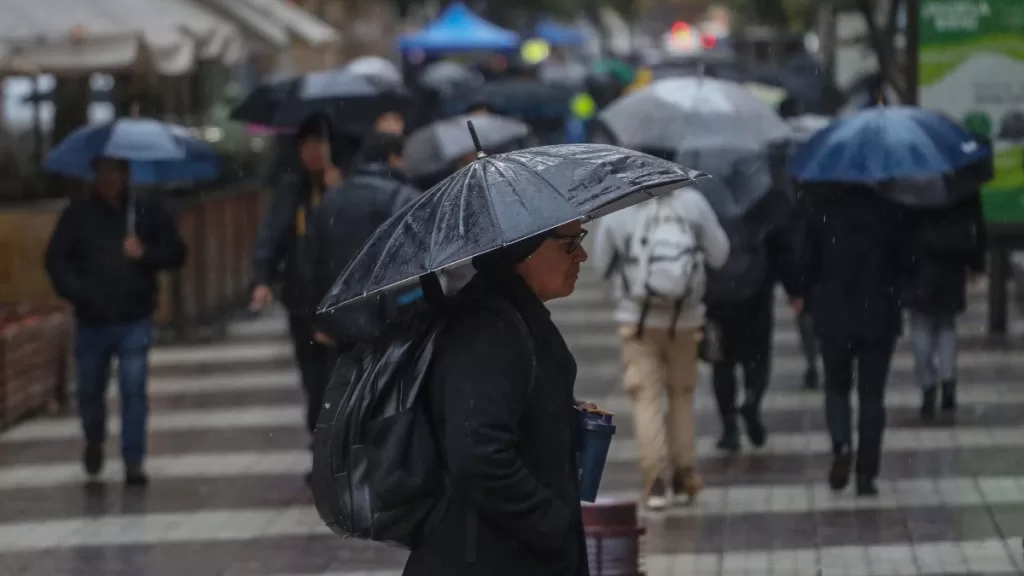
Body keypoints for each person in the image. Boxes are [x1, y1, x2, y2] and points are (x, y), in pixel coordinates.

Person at [403, 221, 592, 576]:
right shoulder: (490, 330)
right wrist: (551, 521)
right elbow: (478, 453)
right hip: (489, 557)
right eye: (569, 243)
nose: (582, 255)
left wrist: (560, 414)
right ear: (525, 250)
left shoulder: (514, 316)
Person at [45, 158, 186, 485]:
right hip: (92, 320)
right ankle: (94, 439)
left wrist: (144, 253)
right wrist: (78, 292)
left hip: (134, 318)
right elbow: (56, 260)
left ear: (126, 175)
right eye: (103, 172)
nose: (109, 179)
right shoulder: (77, 214)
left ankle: (133, 460)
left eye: (115, 172)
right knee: (90, 390)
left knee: (133, 389)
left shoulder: (145, 212)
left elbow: (176, 252)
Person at [592, 187, 730, 509]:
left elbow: (601, 265)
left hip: (637, 322)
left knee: (646, 399)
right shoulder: (693, 202)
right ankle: (685, 474)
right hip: (685, 320)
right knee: (682, 396)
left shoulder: (620, 206)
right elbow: (720, 254)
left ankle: (655, 482)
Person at [800, 185, 913, 497]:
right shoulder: (892, 210)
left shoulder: (821, 208)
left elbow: (806, 263)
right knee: (872, 396)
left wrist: (810, 297)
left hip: (834, 316)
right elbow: (909, 263)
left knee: (836, 388)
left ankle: (841, 444)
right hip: (879, 317)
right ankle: (867, 473)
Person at [249, 113, 342, 481]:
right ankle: (320, 448)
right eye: (307, 147)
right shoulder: (292, 189)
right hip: (302, 300)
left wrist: (339, 192)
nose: (313, 153)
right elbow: (271, 234)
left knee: (339, 378)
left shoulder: (344, 185)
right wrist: (262, 278)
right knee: (314, 379)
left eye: (319, 145)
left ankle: (339, 450)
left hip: (340, 297)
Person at [706, 195, 803, 453]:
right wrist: (793, 288)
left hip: (717, 293)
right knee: (757, 357)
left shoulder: (707, 199)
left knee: (722, 362)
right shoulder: (762, 198)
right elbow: (781, 246)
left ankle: (729, 426)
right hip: (756, 290)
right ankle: (752, 399)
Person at [307, 131, 420, 348]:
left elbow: (310, 263)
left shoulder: (330, 200)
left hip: (340, 319)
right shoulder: (405, 197)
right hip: (394, 320)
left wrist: (318, 319)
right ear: (393, 157)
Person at [907, 192, 987, 419]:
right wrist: (976, 263)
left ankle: (928, 385)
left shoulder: (912, 184)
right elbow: (976, 224)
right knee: (946, 326)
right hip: (953, 264)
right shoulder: (962, 185)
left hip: (920, 263)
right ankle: (948, 380)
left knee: (921, 325)